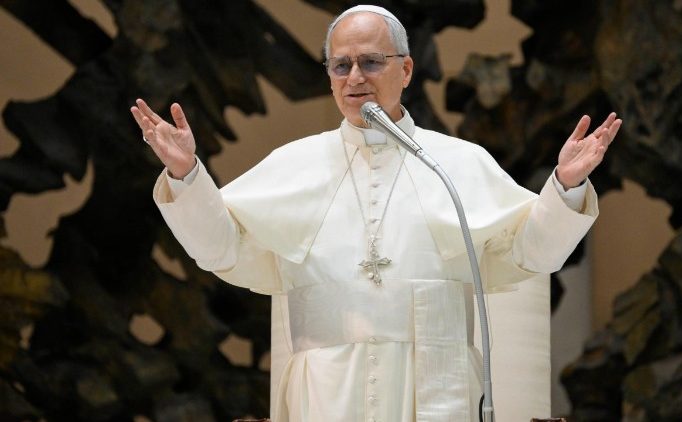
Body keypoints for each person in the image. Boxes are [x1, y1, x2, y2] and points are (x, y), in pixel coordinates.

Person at [130, 5, 620, 422]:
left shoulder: (455, 163)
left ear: (405, 70)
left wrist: (566, 185)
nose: (355, 78)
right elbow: (220, 248)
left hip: (436, 386)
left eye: (370, 61)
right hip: (326, 391)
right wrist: (186, 174)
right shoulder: (293, 164)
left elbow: (534, 254)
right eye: (340, 65)